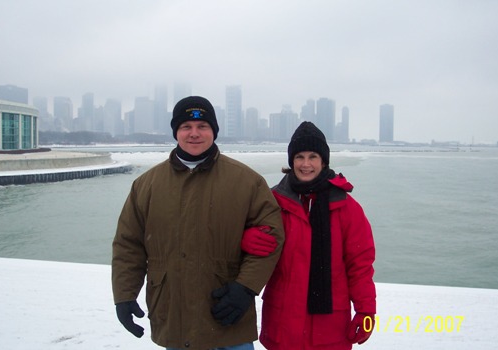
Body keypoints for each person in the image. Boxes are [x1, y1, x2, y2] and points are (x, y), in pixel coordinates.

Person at [111, 96, 284, 350]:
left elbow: (272, 235)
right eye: (186, 127)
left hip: (228, 317)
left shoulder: (247, 182)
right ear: (176, 132)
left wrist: (246, 287)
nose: (194, 134)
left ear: (214, 131)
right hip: (174, 317)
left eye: (202, 126)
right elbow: (129, 246)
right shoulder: (146, 185)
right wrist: (124, 296)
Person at [243, 121, 376, 349]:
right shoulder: (271, 202)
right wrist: (244, 239)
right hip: (282, 323)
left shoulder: (346, 207)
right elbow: (241, 240)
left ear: (323, 161)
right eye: (299, 157)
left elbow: (360, 264)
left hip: (330, 327)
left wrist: (366, 311)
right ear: (291, 161)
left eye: (313, 156)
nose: (306, 164)